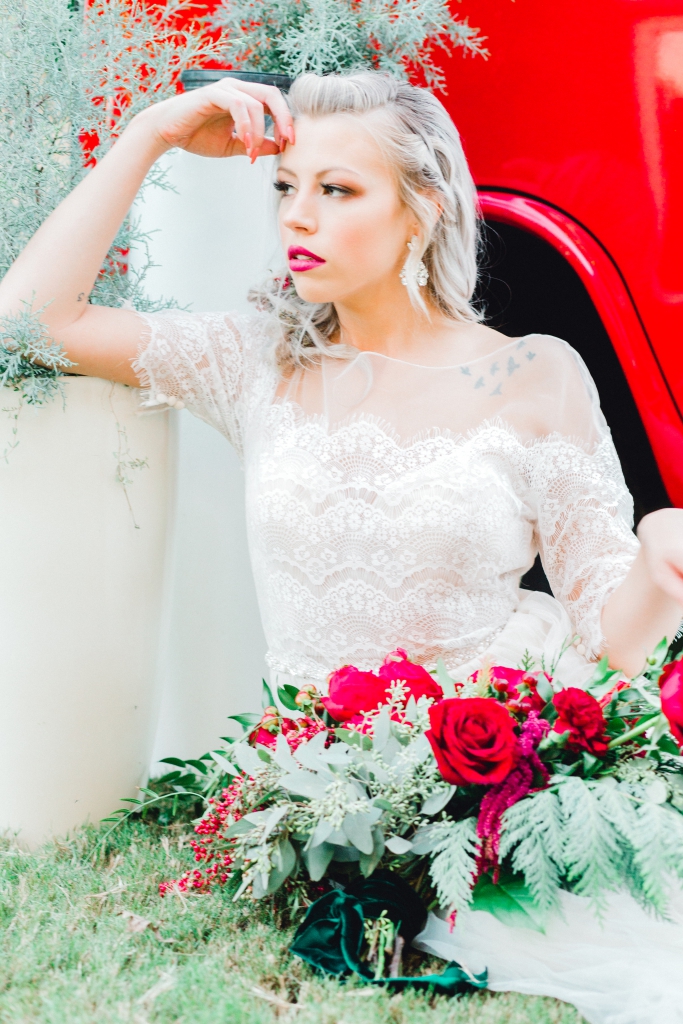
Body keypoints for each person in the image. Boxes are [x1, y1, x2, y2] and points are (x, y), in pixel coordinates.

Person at [1, 70, 683, 1022]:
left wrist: (659, 560)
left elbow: (610, 639)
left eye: (337, 189)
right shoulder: (254, 361)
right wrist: (150, 135)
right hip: (318, 795)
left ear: (422, 210)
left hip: (494, 785)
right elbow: (29, 319)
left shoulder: (534, 375)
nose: (296, 217)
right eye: (287, 187)